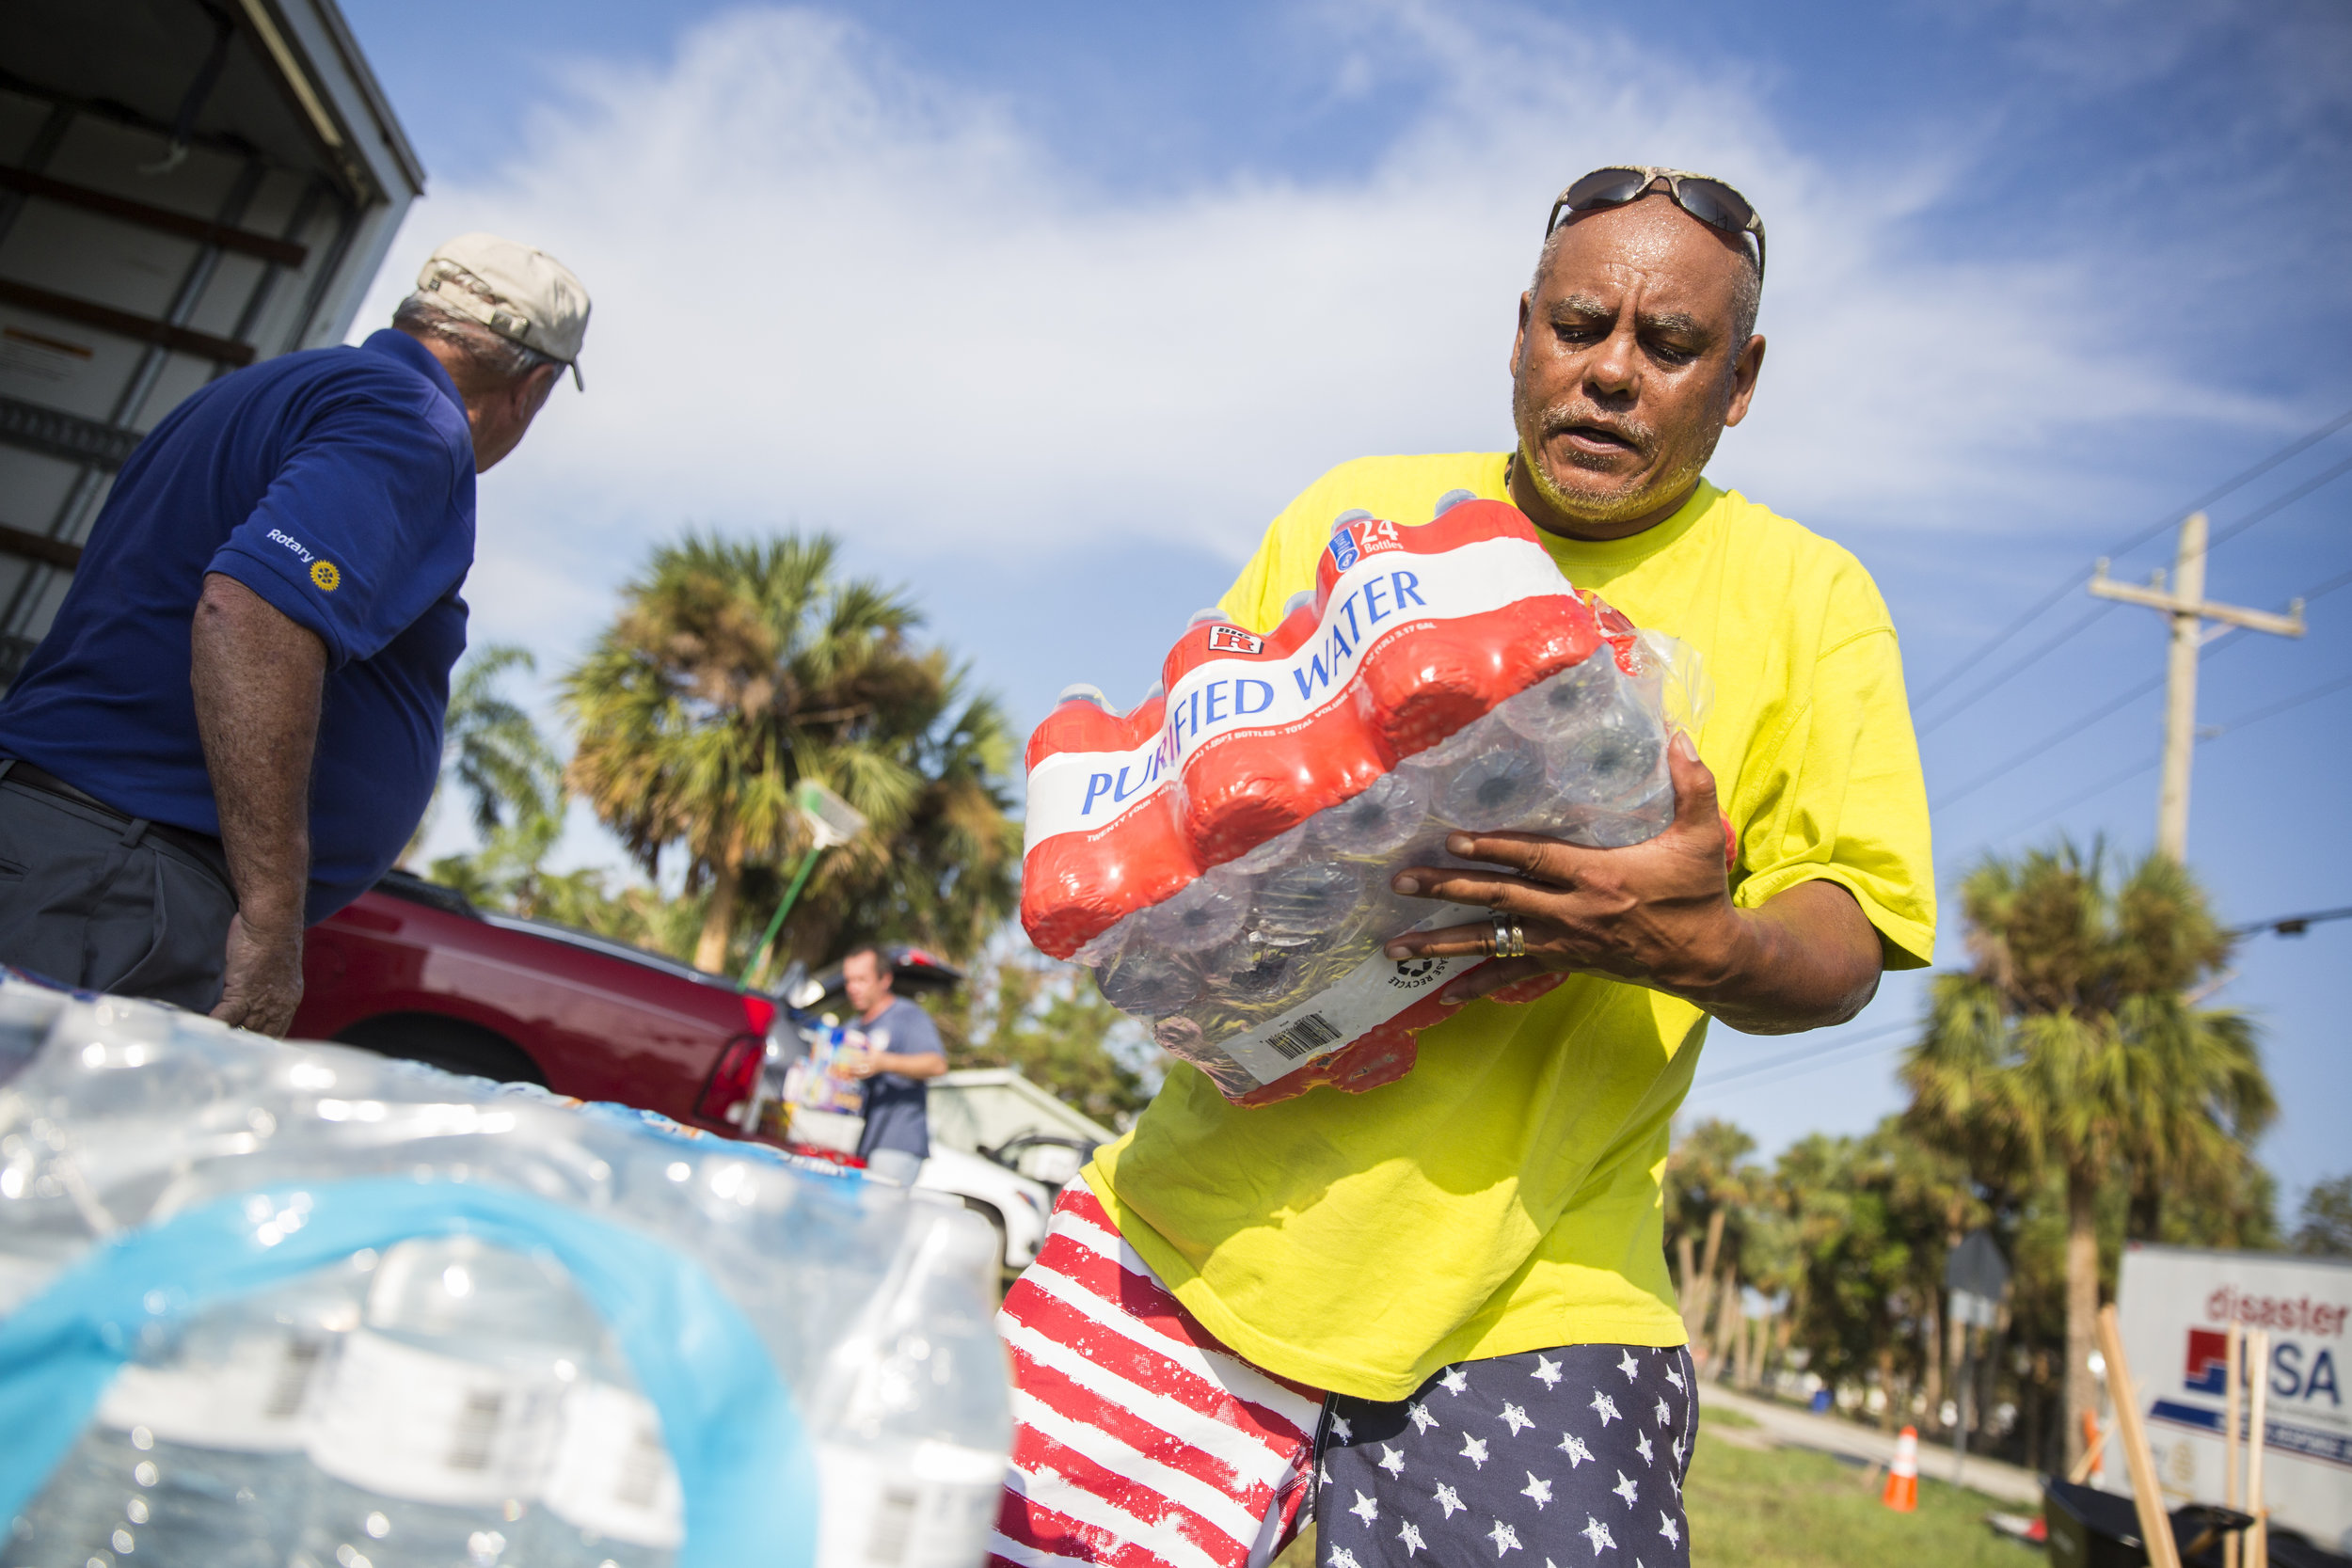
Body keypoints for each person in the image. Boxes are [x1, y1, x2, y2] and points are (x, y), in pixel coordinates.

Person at [991, 167, 1933, 1568]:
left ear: (1739, 382)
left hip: (1539, 1298)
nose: (1611, 371)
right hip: (1201, 1234)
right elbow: (1205, 814)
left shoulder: (1810, 600)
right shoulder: (1356, 518)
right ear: (1519, 333)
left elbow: (1852, 933)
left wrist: (1697, 940)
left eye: (1668, 346)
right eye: (1578, 325)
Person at [0, 234, 589, 1035]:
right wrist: (271, 920)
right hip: (120, 887)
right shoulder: (414, 422)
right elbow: (250, 606)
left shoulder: (264, 387)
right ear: (533, 386)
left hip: (70, 848)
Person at [834, 942, 949, 1185]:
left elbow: (937, 1065)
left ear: (884, 979)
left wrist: (884, 1062)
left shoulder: (907, 1015)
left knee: (877, 1219)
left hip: (896, 1145)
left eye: (862, 980)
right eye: (849, 981)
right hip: (856, 1143)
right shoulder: (852, 1027)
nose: (853, 988)